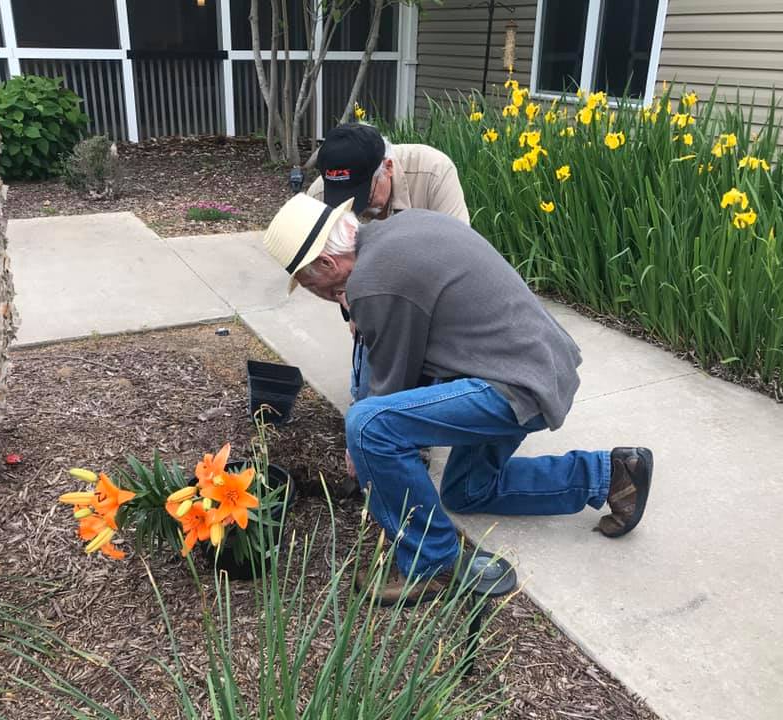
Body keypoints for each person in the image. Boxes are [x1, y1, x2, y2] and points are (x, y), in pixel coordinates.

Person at [262, 194, 654, 605]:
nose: (319, 295)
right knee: (466, 491)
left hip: (513, 385)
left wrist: (359, 453)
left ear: (327, 264)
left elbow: (391, 390)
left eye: (309, 285)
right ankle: (609, 475)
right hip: (536, 367)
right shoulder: (401, 230)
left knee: (367, 425)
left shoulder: (373, 281)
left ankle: (432, 565)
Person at [306, 123, 469, 402]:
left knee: (433, 400)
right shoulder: (319, 196)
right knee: (370, 400)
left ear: (388, 168)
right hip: (375, 296)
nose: (359, 210)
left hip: (433, 291)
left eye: (362, 196)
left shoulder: (434, 172)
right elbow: (317, 270)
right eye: (343, 201)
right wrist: (351, 301)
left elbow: (459, 258)